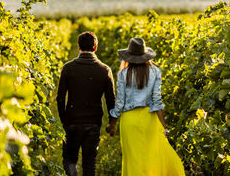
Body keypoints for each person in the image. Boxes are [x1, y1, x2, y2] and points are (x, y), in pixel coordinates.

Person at [106, 37, 185, 176]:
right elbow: (157, 101)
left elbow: (119, 103)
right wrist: (164, 126)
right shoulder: (155, 72)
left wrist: (112, 124)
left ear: (129, 56)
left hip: (129, 121)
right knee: (151, 158)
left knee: (134, 160)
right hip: (150, 119)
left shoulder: (123, 74)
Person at [56, 31, 116, 176]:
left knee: (69, 160)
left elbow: (60, 98)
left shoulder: (68, 68)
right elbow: (111, 99)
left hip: (72, 121)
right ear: (96, 47)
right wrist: (112, 122)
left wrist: (64, 120)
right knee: (89, 164)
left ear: (78, 47)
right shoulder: (105, 70)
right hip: (93, 123)